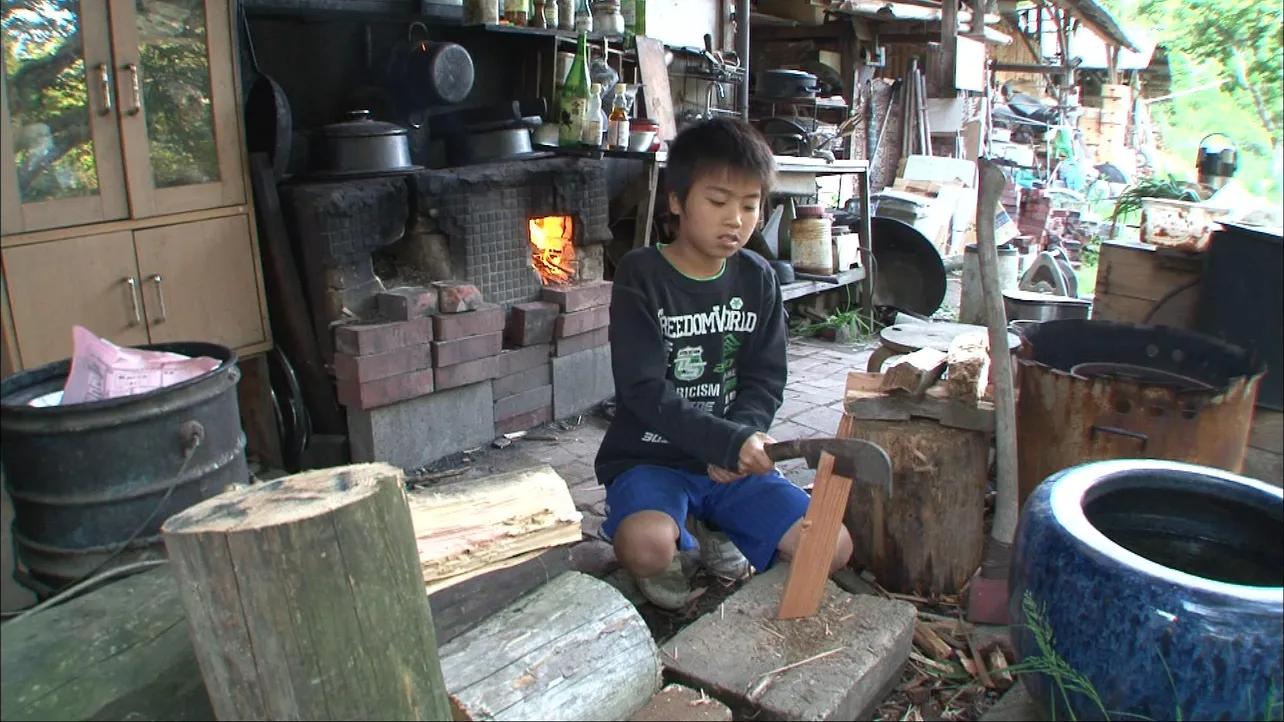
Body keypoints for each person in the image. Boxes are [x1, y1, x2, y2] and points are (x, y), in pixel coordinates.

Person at [593, 116, 853, 611]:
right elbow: (643, 389)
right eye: (717, 202)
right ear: (676, 200)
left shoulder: (757, 279)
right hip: (651, 458)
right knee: (645, 547)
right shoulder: (641, 275)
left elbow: (765, 376)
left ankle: (716, 525)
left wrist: (744, 434)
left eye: (750, 205)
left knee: (832, 547)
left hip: (728, 465)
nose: (735, 219)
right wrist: (728, 441)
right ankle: (678, 536)